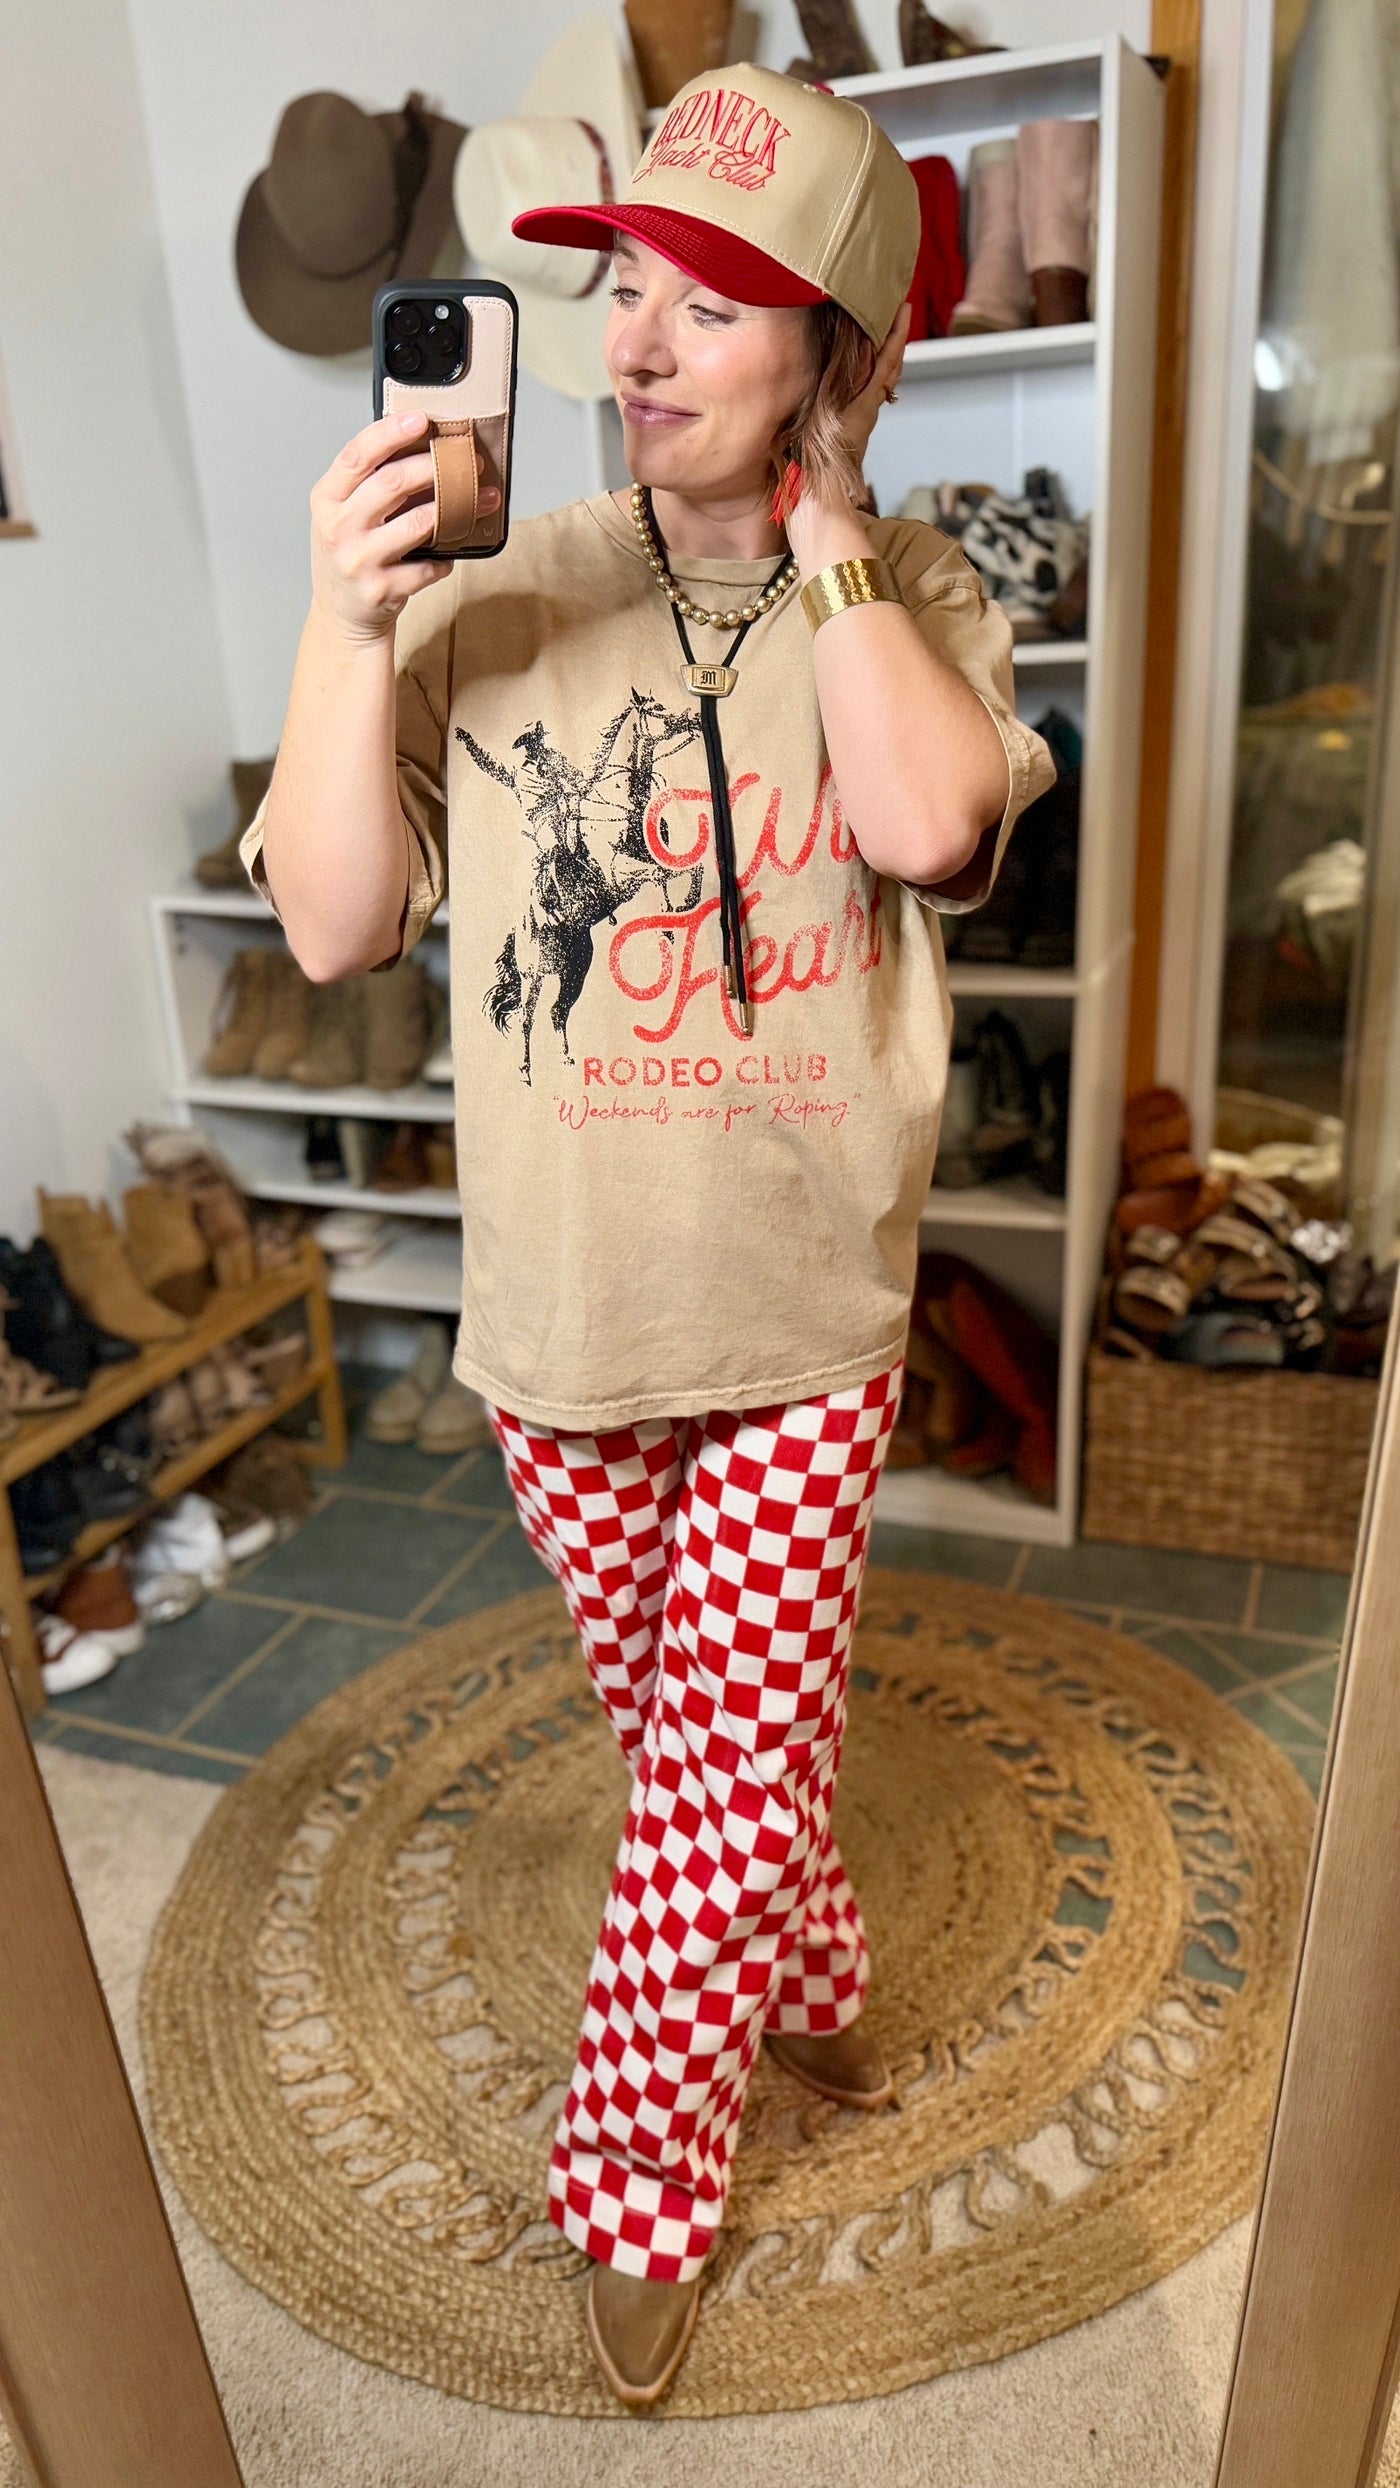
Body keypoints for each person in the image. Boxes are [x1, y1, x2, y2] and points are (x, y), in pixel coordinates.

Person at [246, 64, 1054, 2407]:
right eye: (613, 283)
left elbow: (918, 823)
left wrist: (829, 540)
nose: (634, 338)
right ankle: (810, 1968)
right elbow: (327, 925)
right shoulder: (503, 593)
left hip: (804, 1314)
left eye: (715, 298)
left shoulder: (920, 605)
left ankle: (634, 2184)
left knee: (699, 1788)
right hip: (560, 1327)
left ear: (833, 351)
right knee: (709, 1742)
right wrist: (344, 615)